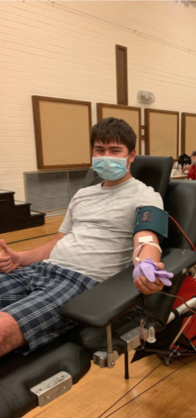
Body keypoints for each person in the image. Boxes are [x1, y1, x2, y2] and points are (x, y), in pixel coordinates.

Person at [0, 117, 169, 358]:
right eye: (100, 150)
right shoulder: (82, 195)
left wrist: (147, 266)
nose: (106, 156)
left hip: (78, 284)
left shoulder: (146, 196)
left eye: (115, 150)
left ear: (131, 155)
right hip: (39, 270)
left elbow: (146, 240)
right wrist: (20, 258)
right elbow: (59, 240)